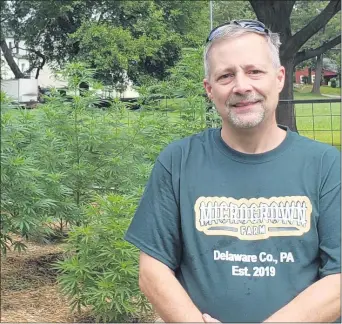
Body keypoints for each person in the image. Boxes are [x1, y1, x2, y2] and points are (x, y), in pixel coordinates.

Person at [124, 20, 341, 323]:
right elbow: (152, 270)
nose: (241, 86)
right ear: (209, 90)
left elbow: (338, 279)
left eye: (254, 71)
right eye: (226, 76)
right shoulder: (178, 161)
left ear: (279, 78)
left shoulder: (327, 165)